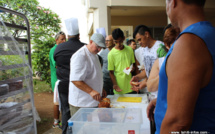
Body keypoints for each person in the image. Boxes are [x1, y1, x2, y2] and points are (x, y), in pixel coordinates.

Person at [147, 0, 215, 133]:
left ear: (173, 2)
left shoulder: (189, 43)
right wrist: (162, 101)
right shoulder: (208, 34)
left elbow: (178, 124)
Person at [54, 18, 85, 134]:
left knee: (66, 111)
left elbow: (56, 61)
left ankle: (66, 131)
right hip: (81, 86)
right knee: (81, 111)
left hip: (64, 84)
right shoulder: (84, 48)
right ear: (79, 35)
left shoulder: (59, 48)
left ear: (68, 35)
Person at [69, 33, 107, 116]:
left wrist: (101, 88)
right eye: (98, 46)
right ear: (90, 42)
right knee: (81, 128)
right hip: (81, 103)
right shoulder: (80, 56)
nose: (99, 49)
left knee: (90, 128)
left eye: (101, 48)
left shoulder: (95, 55)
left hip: (92, 102)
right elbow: (75, 80)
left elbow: (94, 75)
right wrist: (91, 91)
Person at [130, 25, 167, 92]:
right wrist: (137, 77)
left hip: (160, 90)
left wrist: (145, 84)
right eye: (138, 41)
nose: (139, 43)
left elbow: (165, 73)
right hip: (150, 91)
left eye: (140, 39)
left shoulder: (160, 47)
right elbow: (148, 71)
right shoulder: (144, 50)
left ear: (146, 34)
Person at [147, 25, 180, 99]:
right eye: (175, 45)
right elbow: (150, 87)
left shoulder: (189, 62)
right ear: (167, 45)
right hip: (162, 103)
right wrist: (166, 71)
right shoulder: (160, 62)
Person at [108, 28, 136, 94]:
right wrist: (115, 84)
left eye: (120, 41)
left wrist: (132, 68)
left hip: (130, 87)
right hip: (119, 88)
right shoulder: (111, 54)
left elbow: (133, 65)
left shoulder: (129, 50)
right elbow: (111, 72)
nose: (118, 44)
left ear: (124, 38)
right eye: (116, 42)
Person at [49, 31, 66, 128]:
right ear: (56, 40)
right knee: (57, 101)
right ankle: (56, 122)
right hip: (57, 80)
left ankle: (63, 120)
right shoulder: (53, 50)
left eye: (65, 39)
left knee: (62, 100)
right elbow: (57, 65)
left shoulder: (62, 49)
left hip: (62, 78)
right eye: (62, 39)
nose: (64, 41)